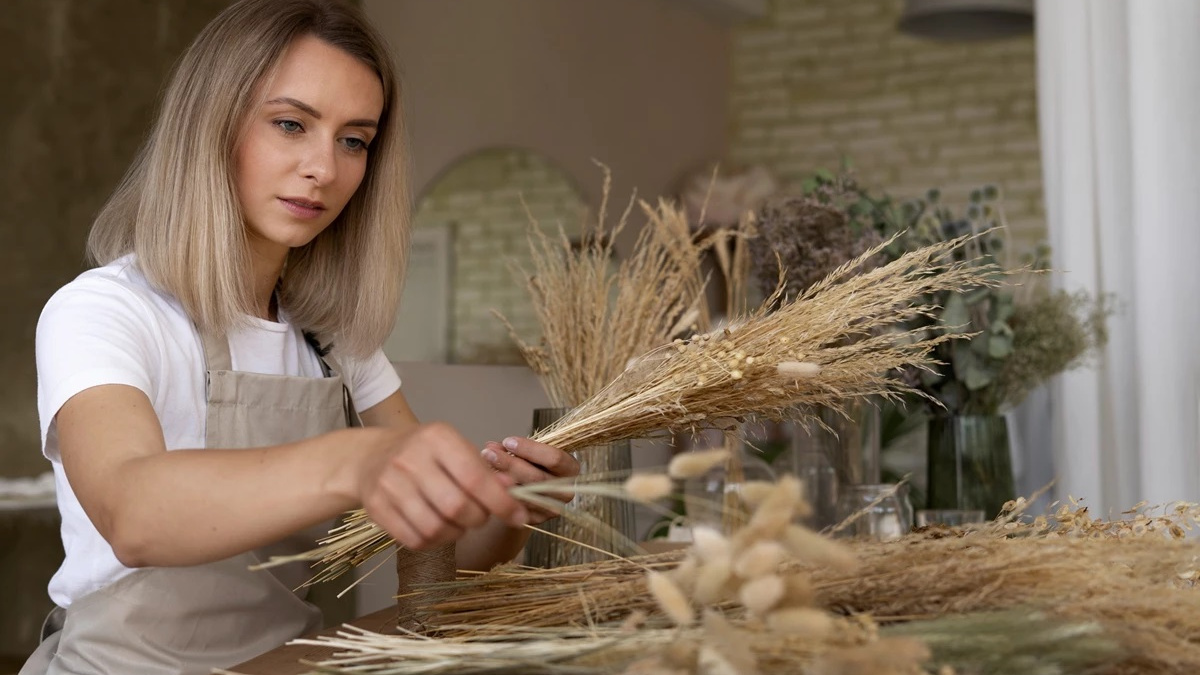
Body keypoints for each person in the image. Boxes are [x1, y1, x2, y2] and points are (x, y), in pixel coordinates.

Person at [20, 1, 579, 673]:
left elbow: (436, 556)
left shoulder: (335, 340)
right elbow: (132, 512)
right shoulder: (103, 311)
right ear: (210, 126)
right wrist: (358, 461)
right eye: (291, 124)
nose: (325, 167)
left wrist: (508, 510)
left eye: (354, 140)